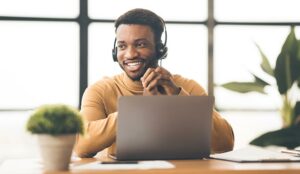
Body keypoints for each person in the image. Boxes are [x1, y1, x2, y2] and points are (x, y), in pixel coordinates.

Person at [74, 8, 234, 158]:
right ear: (115, 53)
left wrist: (179, 99)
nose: (130, 54)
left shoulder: (187, 87)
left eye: (140, 44)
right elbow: (82, 146)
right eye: (122, 46)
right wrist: (140, 108)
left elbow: (225, 144)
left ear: (160, 49)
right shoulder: (100, 91)